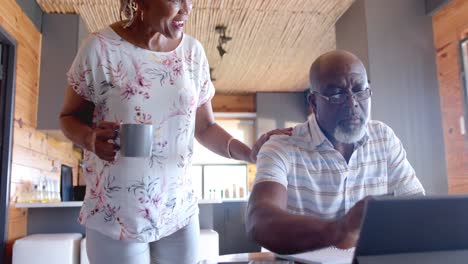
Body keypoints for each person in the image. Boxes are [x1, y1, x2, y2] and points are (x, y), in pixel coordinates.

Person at [59, 0, 291, 263]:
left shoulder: (193, 52)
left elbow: (205, 127)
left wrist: (249, 153)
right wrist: (89, 138)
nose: (187, 8)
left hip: (179, 213)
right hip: (116, 215)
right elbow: (68, 117)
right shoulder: (100, 48)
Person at [246, 50, 425, 254]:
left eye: (359, 90)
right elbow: (258, 221)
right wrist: (339, 230)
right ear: (313, 103)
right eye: (337, 94)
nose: (352, 103)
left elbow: (416, 206)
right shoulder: (281, 146)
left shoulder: (383, 138)